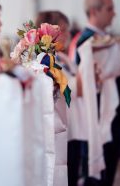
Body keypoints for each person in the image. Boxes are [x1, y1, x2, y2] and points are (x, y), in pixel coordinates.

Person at [75, 0, 120, 186]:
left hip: (113, 111)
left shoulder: (108, 39)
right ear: (94, 12)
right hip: (99, 115)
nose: (114, 13)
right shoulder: (86, 41)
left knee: (109, 170)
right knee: (98, 172)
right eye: (109, 8)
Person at [35, 10, 84, 186]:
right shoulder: (41, 61)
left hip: (74, 125)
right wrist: (86, 79)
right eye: (62, 29)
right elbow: (69, 87)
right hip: (58, 128)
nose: (68, 34)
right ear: (47, 33)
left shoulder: (63, 57)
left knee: (73, 173)